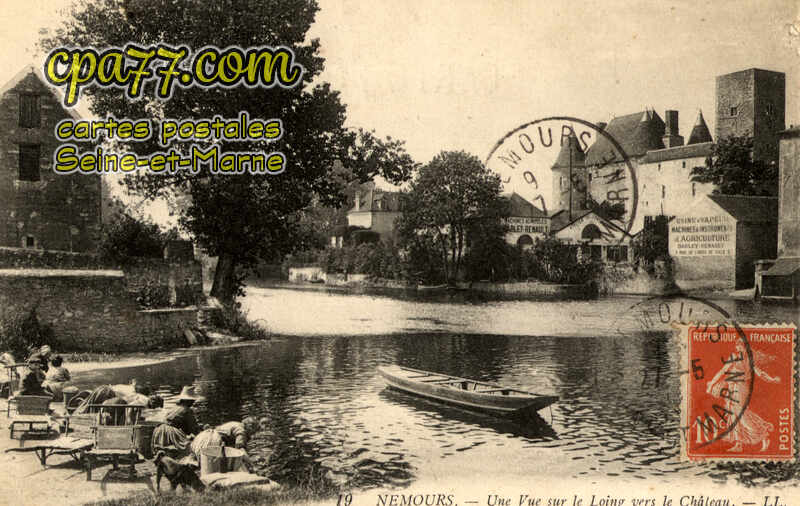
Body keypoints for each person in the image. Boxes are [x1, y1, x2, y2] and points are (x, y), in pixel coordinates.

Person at [190, 417, 261, 471]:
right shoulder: (241, 431)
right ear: (250, 426)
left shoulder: (235, 423)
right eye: (254, 430)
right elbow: (240, 449)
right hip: (212, 440)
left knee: (203, 461)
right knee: (213, 464)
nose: (253, 434)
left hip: (202, 437)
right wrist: (252, 465)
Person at [152, 386, 204, 457]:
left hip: (160, 429)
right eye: (192, 401)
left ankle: (163, 451)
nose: (193, 402)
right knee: (189, 448)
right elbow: (192, 429)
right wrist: (201, 432)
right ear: (188, 401)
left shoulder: (175, 407)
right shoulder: (187, 410)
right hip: (171, 431)